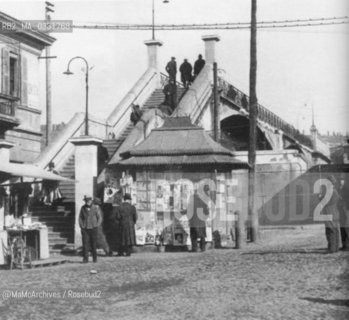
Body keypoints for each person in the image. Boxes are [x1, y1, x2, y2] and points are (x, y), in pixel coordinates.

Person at [318, 175, 340, 253]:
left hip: (329, 214)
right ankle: (335, 248)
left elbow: (325, 202)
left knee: (330, 231)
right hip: (334, 214)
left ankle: (332, 249)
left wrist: (320, 196)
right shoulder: (334, 191)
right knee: (335, 231)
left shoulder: (330, 192)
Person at [79, 195, 102, 263]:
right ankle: (85, 259)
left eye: (89, 200)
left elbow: (99, 217)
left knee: (93, 244)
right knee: (85, 243)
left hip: (93, 228)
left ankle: (94, 258)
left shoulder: (95, 208)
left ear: (91, 201)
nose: (87, 202)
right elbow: (80, 218)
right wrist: (82, 226)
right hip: (85, 228)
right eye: (86, 201)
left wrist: (96, 225)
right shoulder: (82, 208)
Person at [187, 187, 210, 252]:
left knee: (194, 236)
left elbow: (189, 213)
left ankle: (195, 248)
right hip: (201, 222)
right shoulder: (203, 202)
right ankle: (203, 248)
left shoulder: (191, 203)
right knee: (202, 236)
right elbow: (207, 212)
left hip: (193, 222)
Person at [339, 176, 349, 250]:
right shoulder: (339, 189)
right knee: (342, 227)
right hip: (342, 210)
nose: (341, 182)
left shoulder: (346, 189)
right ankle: (344, 245)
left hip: (346, 209)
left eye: (342, 180)